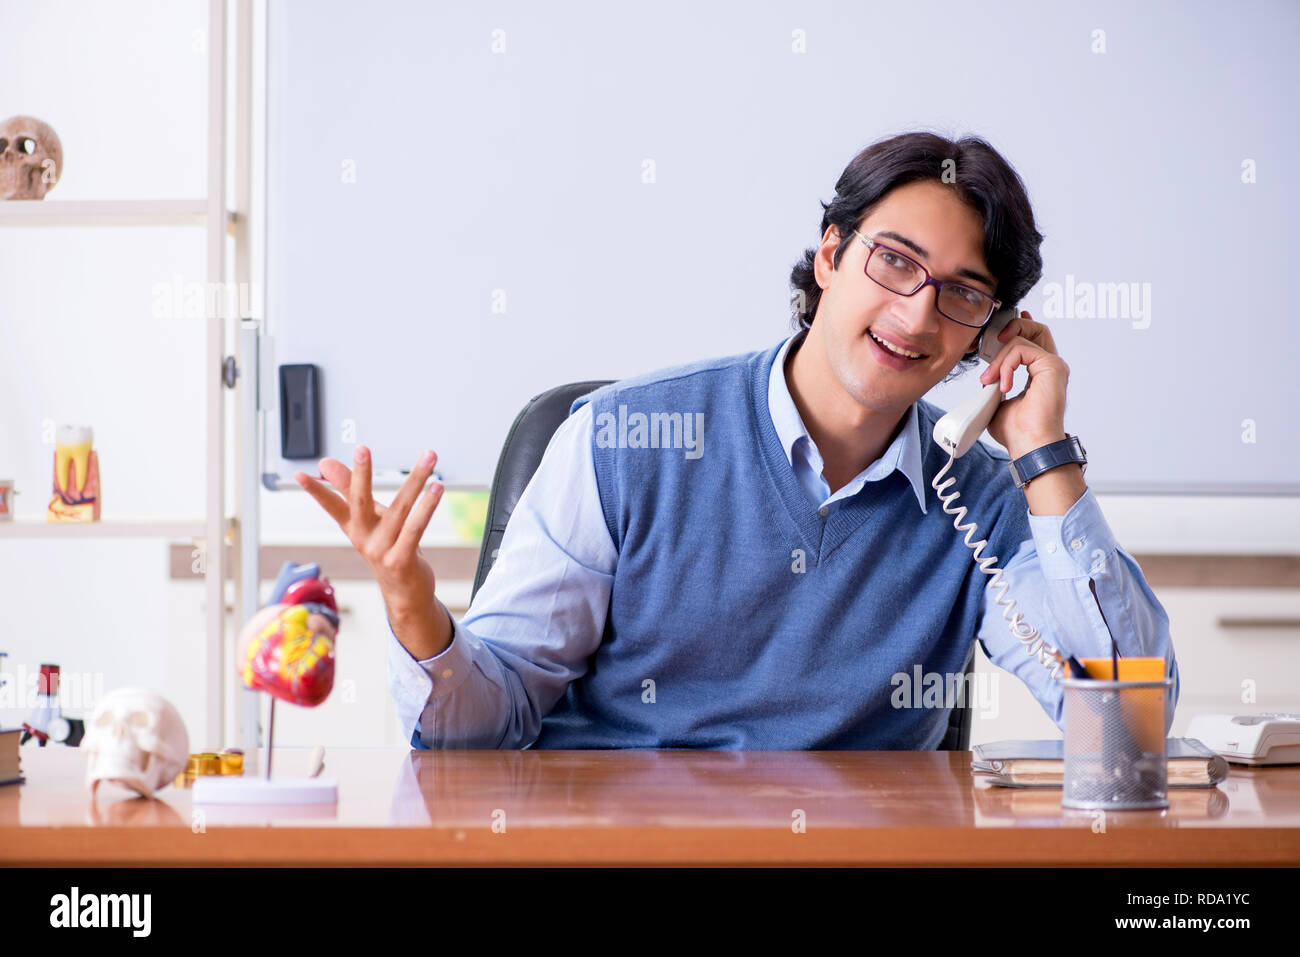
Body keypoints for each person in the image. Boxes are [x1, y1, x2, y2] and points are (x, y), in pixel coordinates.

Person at [296, 131, 1179, 750]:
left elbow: (1128, 725)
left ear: (990, 332)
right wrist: (416, 610)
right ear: (831, 255)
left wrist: (1043, 454)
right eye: (895, 262)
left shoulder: (983, 498)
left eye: (962, 294)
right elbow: (474, 732)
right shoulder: (623, 439)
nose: (916, 314)